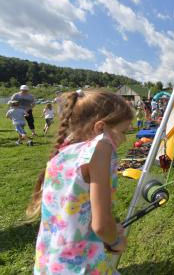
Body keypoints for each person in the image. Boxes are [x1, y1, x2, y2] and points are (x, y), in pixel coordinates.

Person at [26, 90, 134, 274]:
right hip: (81, 264)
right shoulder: (101, 147)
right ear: (100, 128)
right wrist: (115, 240)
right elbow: (101, 225)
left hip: (50, 264)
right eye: (123, 132)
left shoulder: (62, 153)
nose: (124, 139)